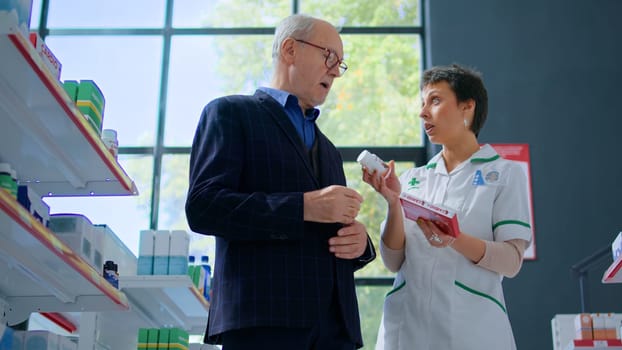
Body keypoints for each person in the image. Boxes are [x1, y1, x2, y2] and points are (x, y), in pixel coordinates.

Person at [185, 13, 376, 350]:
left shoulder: (329, 150)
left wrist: (360, 245)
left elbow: (327, 228)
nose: (335, 70)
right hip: (262, 322)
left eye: (340, 64)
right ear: (290, 49)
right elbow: (204, 207)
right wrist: (303, 207)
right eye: (329, 56)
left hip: (336, 330)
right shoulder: (230, 113)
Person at [362, 64, 532, 350]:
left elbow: (511, 261)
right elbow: (393, 261)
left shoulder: (504, 173)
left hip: (472, 331)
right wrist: (393, 203)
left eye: (435, 100)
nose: (423, 112)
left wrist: (455, 240)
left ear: (467, 107)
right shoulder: (412, 180)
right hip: (406, 330)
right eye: (422, 103)